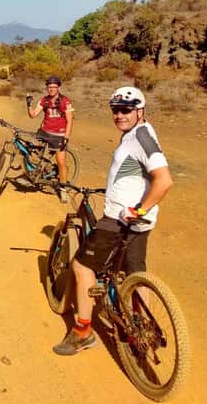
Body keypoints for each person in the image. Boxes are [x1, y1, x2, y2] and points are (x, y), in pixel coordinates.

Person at [53, 86, 173, 355]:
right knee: (133, 274)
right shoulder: (142, 132)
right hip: (139, 223)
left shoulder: (140, 137)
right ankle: (142, 328)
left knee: (82, 266)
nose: (119, 115)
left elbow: (164, 180)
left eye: (126, 110)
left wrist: (138, 209)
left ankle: (83, 332)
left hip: (120, 220)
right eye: (116, 110)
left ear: (140, 111)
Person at [26, 75, 74, 201]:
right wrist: (29, 104)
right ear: (47, 88)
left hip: (59, 135)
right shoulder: (44, 100)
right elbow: (33, 115)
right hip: (44, 132)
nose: (51, 89)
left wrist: (66, 138)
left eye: (54, 87)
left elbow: (70, 121)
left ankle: (63, 189)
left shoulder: (65, 101)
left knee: (61, 162)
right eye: (49, 87)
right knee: (31, 152)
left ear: (58, 88)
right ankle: (37, 173)